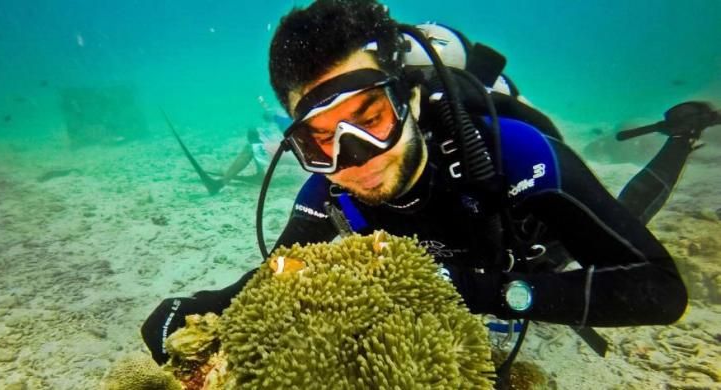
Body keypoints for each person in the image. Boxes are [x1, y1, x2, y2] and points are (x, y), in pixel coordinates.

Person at [143, 0, 705, 368]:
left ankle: (683, 136)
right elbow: (280, 269)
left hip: (527, 247)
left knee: (624, 217)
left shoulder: (513, 154)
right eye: (321, 139)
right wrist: (206, 305)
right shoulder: (329, 188)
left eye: (370, 118)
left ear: (408, 98)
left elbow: (660, 289)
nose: (353, 158)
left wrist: (496, 293)